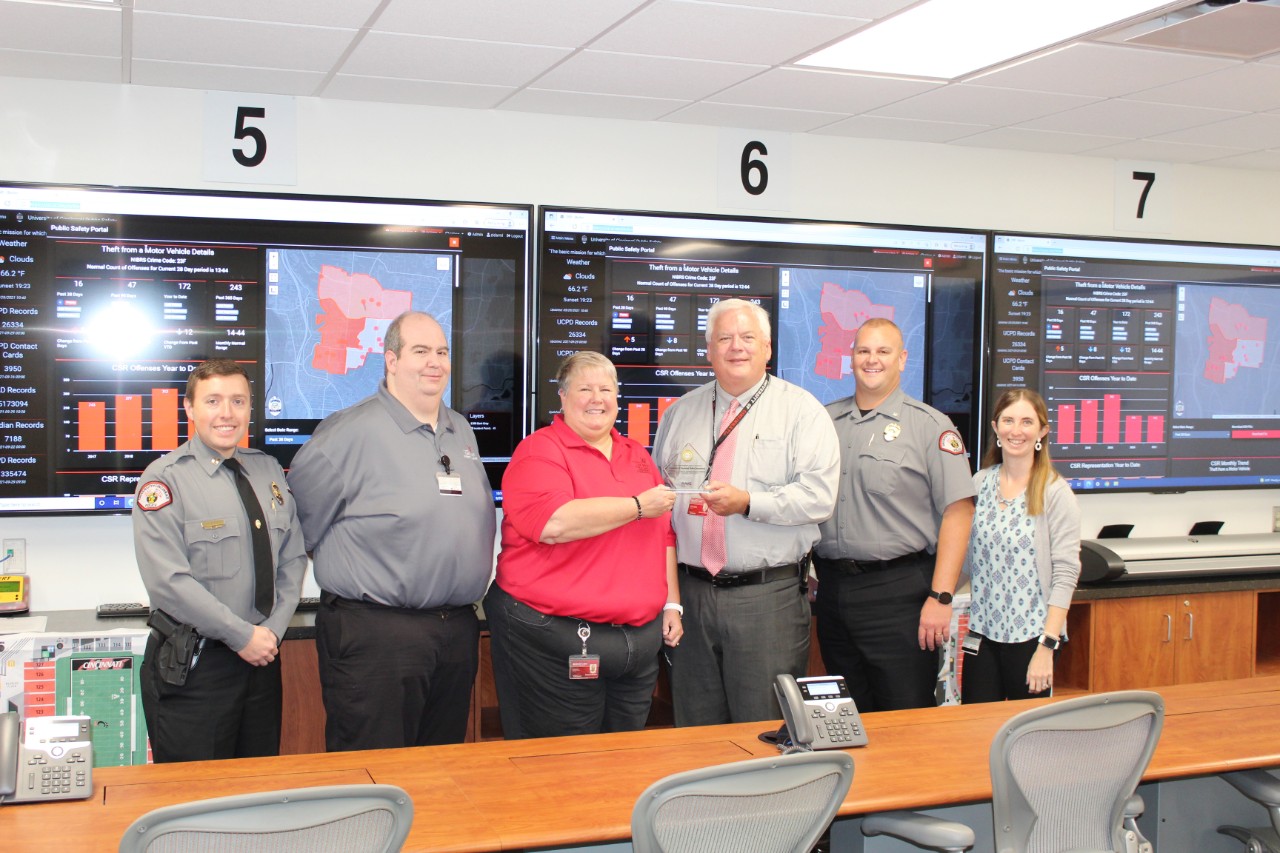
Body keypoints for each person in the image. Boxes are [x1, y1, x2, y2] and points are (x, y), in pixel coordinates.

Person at [287, 310, 495, 751]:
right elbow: (296, 529)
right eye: (420, 351)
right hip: (377, 635)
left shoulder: (460, 430)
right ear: (391, 360)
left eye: (441, 352)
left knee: (442, 777)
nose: (434, 362)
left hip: (455, 631)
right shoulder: (348, 432)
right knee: (373, 778)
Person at [652, 298, 840, 726]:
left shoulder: (802, 411)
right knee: (694, 730)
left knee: (763, 730)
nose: (736, 347)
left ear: (768, 348)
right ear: (709, 350)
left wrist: (749, 503)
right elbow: (662, 502)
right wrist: (670, 598)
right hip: (691, 598)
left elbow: (818, 497)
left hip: (766, 598)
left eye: (747, 337)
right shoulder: (679, 414)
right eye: (724, 338)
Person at [487, 352, 680, 738]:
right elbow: (553, 523)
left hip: (637, 645)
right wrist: (637, 506)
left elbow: (664, 535)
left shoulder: (638, 456)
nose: (597, 398)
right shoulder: (539, 451)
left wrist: (672, 603)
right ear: (562, 397)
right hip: (555, 639)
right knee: (561, 765)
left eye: (606, 389)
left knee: (623, 762)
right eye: (585, 388)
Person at [133, 359, 306, 762]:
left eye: (238, 401)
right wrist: (241, 636)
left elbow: (293, 559)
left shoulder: (267, 471)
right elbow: (169, 583)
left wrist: (271, 633)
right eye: (213, 401)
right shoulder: (164, 480)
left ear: (250, 409)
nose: (227, 413)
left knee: (257, 791)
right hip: (195, 667)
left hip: (262, 661)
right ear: (190, 409)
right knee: (195, 801)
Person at [813, 318, 976, 712]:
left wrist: (941, 597)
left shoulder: (930, 426)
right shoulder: (823, 423)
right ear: (850, 358)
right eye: (863, 350)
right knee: (845, 718)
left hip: (901, 595)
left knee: (906, 719)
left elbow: (959, 512)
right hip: (833, 593)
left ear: (902, 359)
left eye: (883, 351)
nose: (872, 360)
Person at [960, 389, 1081, 703]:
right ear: (995, 427)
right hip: (982, 637)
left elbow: (1065, 575)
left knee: (1029, 742)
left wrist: (1047, 646)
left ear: (1042, 431)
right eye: (1008, 420)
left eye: (1027, 422)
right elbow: (964, 559)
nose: (1016, 430)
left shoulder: (1055, 492)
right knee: (972, 736)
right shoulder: (978, 483)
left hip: (1032, 641)